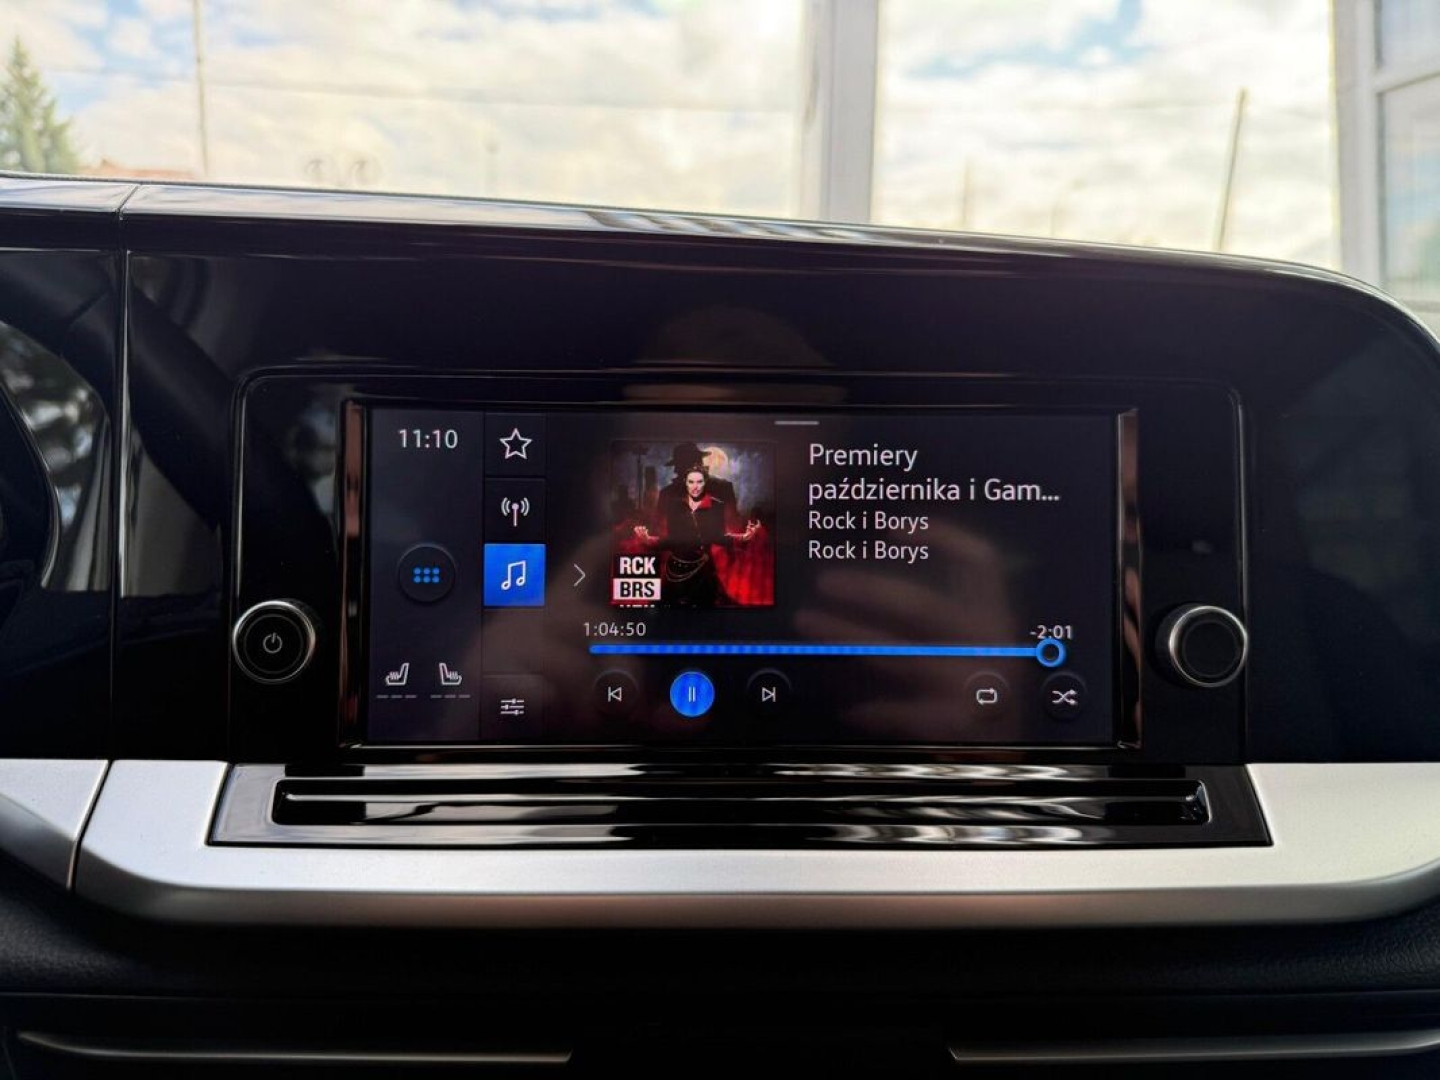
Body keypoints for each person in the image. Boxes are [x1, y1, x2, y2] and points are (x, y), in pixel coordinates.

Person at [634, 467, 759, 606]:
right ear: (685, 482)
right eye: (691, 482)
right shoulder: (674, 506)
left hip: (703, 570)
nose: (695, 486)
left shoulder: (716, 506)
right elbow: (673, 540)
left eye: (699, 482)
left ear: (705, 482)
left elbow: (718, 537)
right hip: (676, 570)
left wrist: (743, 537)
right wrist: (650, 540)